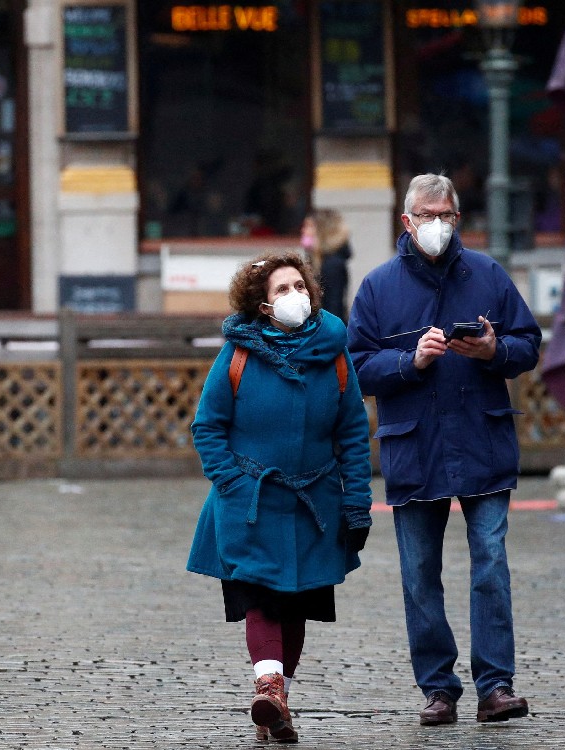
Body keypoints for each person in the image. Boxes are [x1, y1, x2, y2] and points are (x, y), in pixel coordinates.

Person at [347, 173, 541, 726]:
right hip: (415, 450)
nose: (436, 224)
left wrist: (492, 349)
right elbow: (357, 368)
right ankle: (439, 689)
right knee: (419, 575)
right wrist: (413, 361)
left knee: (490, 565)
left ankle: (495, 687)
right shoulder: (378, 287)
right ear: (405, 222)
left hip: (482, 440)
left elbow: (528, 343)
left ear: (458, 219)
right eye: (425, 215)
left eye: (445, 215)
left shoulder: (487, 273)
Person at [187, 252, 373, 743]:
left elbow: (353, 434)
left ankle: (277, 703)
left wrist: (356, 503)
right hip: (252, 501)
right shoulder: (238, 354)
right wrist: (233, 482)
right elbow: (207, 427)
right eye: (282, 290)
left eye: (300, 286)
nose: (296, 296)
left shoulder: (335, 353)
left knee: (296, 606)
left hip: (315, 503)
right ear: (264, 306)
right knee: (263, 599)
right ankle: (267, 686)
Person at [301, 208, 353, 322]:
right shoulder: (315, 259)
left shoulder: (332, 265)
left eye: (309, 226)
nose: (304, 231)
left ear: (323, 230)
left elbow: (334, 304)